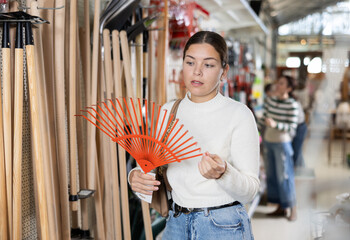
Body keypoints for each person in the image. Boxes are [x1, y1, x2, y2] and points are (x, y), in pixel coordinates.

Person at [129, 31, 260, 239]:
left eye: (208, 65)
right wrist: (136, 178)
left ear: (224, 71)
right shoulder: (168, 111)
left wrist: (223, 173)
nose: (197, 72)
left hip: (222, 226)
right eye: (190, 63)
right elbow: (149, 169)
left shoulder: (239, 114)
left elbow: (251, 190)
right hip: (175, 222)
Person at [258, 75, 299, 221]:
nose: (277, 85)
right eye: (278, 82)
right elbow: (263, 119)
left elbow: (292, 127)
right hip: (268, 142)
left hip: (282, 144)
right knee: (272, 176)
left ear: (289, 88)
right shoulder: (270, 101)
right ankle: (280, 208)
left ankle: (293, 208)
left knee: (285, 177)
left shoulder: (292, 104)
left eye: (281, 83)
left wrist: (276, 125)